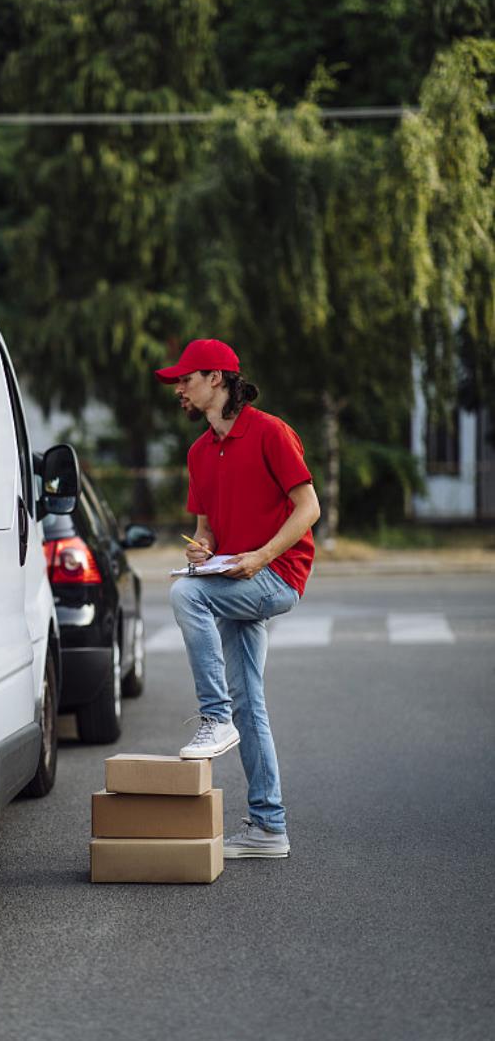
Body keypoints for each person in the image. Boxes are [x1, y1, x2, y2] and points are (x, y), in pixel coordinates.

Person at [155, 337, 320, 858]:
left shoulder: (270, 432)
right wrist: (202, 551)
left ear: (218, 379)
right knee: (251, 703)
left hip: (277, 575)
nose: (179, 388)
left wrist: (263, 556)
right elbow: (205, 531)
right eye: (177, 381)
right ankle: (269, 828)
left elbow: (309, 508)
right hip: (234, 577)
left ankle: (213, 716)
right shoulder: (200, 451)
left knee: (187, 598)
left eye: (186, 379)